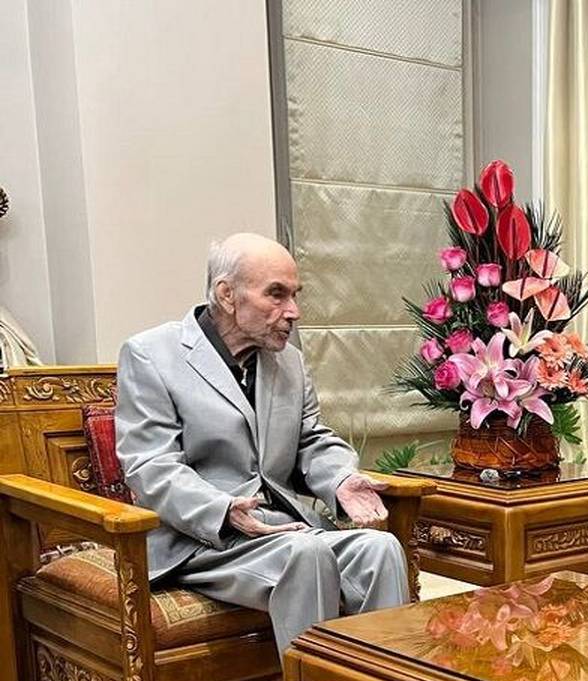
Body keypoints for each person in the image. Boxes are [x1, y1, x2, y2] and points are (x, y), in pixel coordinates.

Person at [116, 232, 410, 656]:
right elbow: (150, 465)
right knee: (306, 554)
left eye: (295, 295)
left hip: (281, 529)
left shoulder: (288, 360)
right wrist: (222, 510)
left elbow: (311, 439)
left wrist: (341, 479)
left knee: (380, 549)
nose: (293, 312)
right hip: (202, 539)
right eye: (276, 294)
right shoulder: (151, 354)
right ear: (227, 295)